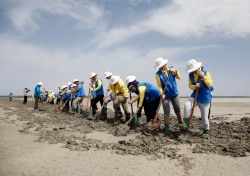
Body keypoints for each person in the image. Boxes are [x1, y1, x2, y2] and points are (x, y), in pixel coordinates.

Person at [155, 57, 185, 134]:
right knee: (166, 112)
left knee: (177, 110)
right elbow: (159, 86)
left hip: (175, 93)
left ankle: (181, 123)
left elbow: (179, 77)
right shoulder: (158, 74)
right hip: (166, 95)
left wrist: (175, 71)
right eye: (160, 65)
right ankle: (167, 128)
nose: (162, 66)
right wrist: (162, 93)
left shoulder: (171, 70)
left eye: (163, 64)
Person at [184, 59, 213, 137]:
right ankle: (186, 121)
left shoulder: (206, 73)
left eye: (193, 70)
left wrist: (203, 77)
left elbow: (210, 84)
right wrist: (195, 86)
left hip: (205, 97)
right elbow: (189, 85)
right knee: (187, 105)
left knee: (204, 117)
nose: (192, 71)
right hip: (195, 96)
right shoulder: (190, 75)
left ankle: (205, 131)